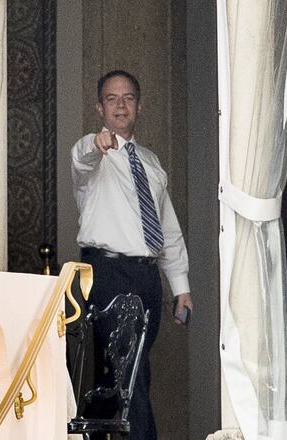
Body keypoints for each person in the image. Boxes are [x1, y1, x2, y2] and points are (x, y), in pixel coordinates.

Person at [71, 70, 194, 440]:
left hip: (146, 277)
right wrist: (97, 144)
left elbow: (167, 229)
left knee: (128, 372)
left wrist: (181, 286)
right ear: (99, 107)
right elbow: (80, 159)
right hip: (108, 274)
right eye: (111, 99)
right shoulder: (94, 154)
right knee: (130, 373)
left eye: (127, 98)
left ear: (139, 106)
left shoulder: (152, 163)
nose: (120, 106)